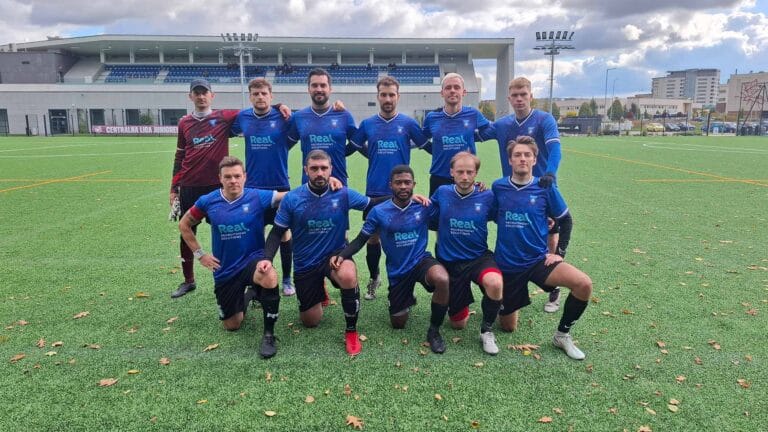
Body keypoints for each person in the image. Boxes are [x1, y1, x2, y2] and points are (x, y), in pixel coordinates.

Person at [260, 150, 377, 356]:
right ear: (306, 170)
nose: (319, 173)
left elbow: (372, 204)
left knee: (348, 275)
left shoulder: (343, 193)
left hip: (335, 254)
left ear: (331, 170)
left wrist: (408, 198)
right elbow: (277, 232)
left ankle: (351, 331)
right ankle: (319, 289)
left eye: (324, 168)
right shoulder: (293, 198)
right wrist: (267, 259)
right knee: (310, 321)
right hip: (306, 262)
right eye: (314, 169)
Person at [332, 165, 450, 354]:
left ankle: (434, 331)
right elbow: (361, 239)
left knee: (442, 278)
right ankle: (406, 299)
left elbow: (452, 199)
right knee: (398, 323)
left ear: (414, 185)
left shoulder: (424, 206)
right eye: (398, 183)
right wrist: (342, 255)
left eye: (407, 183)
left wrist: (476, 186)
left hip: (421, 261)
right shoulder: (379, 212)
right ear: (390, 185)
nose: (403, 186)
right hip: (398, 272)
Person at [492, 136, 592, 360]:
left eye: (527, 155)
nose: (522, 159)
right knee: (508, 327)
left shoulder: (544, 187)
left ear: (535, 160)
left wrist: (558, 254)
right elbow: (492, 214)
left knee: (583, 284)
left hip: (537, 261)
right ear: (510, 160)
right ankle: (509, 301)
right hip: (507, 264)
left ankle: (562, 335)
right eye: (517, 155)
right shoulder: (498, 187)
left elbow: (566, 220)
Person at [178, 156, 284, 358]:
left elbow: (289, 196)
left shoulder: (257, 196)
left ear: (245, 177)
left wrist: (328, 184)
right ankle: (252, 293)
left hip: (253, 261)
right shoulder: (208, 201)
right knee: (232, 325)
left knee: (269, 274)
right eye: (228, 177)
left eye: (237, 176)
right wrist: (200, 255)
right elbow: (184, 225)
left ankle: (269, 334)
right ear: (220, 178)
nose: (233, 180)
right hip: (225, 268)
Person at [350, 76, 429, 301]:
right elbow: (353, 146)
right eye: (383, 94)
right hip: (375, 192)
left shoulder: (408, 123)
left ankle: (406, 284)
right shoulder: (367, 124)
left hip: (402, 192)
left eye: (391, 94)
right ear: (378, 96)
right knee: (373, 239)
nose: (387, 99)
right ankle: (374, 278)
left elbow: (429, 145)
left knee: (404, 240)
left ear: (398, 96)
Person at [490, 77, 565, 312]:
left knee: (551, 232)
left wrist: (550, 174)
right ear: (509, 98)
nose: (520, 98)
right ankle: (511, 280)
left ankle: (553, 287)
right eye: (515, 95)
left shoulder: (544, 119)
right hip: (512, 190)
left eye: (524, 94)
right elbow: (474, 133)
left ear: (531, 96)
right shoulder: (502, 125)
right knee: (511, 230)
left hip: (542, 188)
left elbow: (555, 149)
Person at [169, 78, 239, 299]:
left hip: (217, 186)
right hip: (189, 185)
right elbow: (180, 154)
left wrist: (278, 107)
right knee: (187, 231)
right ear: (190, 96)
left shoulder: (224, 117)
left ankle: (235, 274)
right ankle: (188, 281)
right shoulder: (184, 123)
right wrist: (174, 187)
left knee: (228, 230)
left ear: (212, 95)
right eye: (196, 93)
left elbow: (254, 112)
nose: (200, 96)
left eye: (204, 92)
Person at [230, 78, 298, 297]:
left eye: (264, 93)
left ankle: (287, 279)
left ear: (271, 95)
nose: (260, 97)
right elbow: (227, 129)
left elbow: (296, 132)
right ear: (250, 96)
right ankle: (256, 278)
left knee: (284, 233)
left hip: (280, 184)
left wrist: (282, 107)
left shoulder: (283, 116)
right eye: (255, 94)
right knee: (255, 235)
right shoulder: (243, 118)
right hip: (252, 188)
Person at [430, 152, 503, 355]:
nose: (464, 176)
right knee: (458, 324)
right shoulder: (442, 192)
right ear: (451, 172)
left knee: (495, 284)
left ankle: (487, 330)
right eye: (460, 171)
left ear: (476, 174)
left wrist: (546, 221)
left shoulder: (487, 196)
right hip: (451, 262)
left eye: (469, 172)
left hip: (478, 257)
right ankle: (472, 301)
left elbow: (503, 218)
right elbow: (426, 212)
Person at [422, 72, 494, 197]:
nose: (452, 91)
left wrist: (474, 137)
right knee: (436, 215)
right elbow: (421, 138)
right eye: (448, 88)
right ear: (442, 93)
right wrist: (434, 150)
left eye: (457, 87)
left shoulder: (473, 114)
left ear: (464, 92)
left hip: (465, 176)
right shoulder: (432, 117)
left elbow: (490, 130)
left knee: (464, 215)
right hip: (439, 178)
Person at [287, 68, 357, 186]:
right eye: (314, 85)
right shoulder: (299, 117)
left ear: (330, 89)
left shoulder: (344, 115)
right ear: (309, 89)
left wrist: (340, 153)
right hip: (309, 185)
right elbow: (283, 146)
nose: (319, 89)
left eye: (323, 85)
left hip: (339, 184)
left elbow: (356, 144)